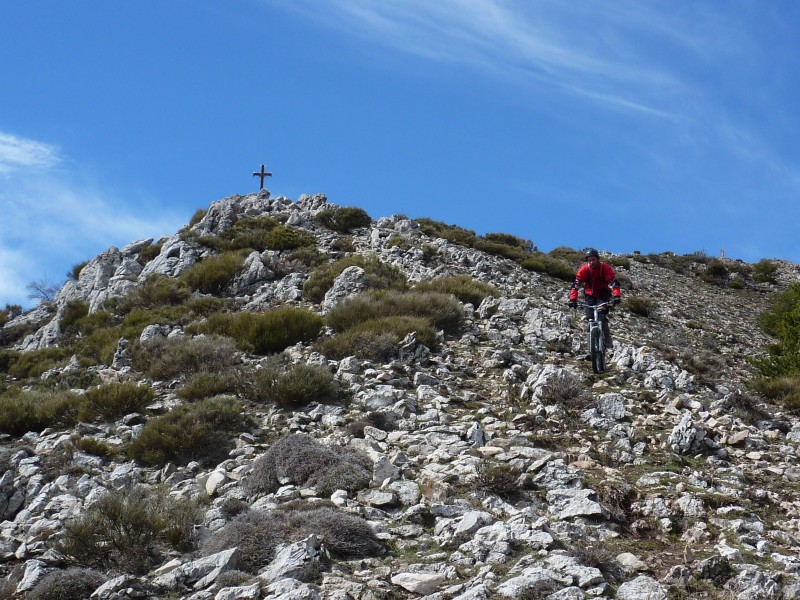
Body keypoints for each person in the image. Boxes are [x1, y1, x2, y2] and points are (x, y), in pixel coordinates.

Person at [567, 248, 622, 349]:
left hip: (603, 293)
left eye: (594, 260)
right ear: (587, 261)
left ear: (598, 259)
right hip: (589, 294)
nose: (592, 262)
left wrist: (617, 295)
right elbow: (575, 285)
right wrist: (573, 299)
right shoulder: (584, 270)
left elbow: (614, 283)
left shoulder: (605, 268)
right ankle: (591, 345)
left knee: (601, 314)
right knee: (590, 317)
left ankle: (607, 338)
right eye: (589, 260)